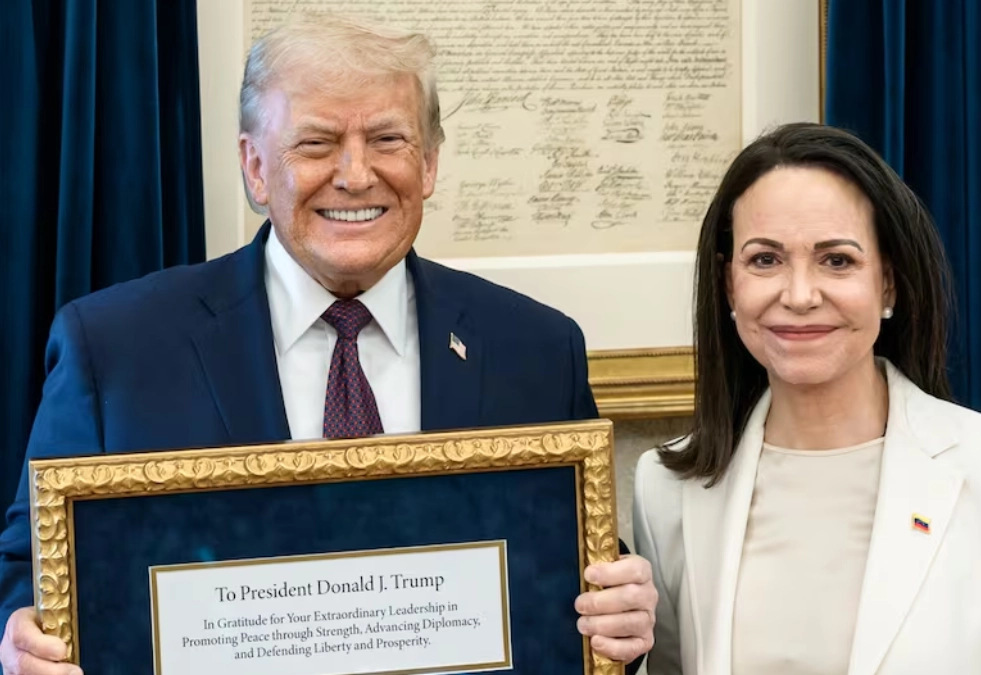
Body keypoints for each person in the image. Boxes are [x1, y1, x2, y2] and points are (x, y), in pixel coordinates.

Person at [0, 14, 655, 675]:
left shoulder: (537, 349)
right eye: (316, 143)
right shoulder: (115, 349)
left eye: (387, 139)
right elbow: (31, 570)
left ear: (428, 163)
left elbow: (575, 568)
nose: (355, 174)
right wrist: (19, 639)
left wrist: (622, 618)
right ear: (256, 168)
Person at [632, 123, 981, 675]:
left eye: (838, 261)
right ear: (729, 285)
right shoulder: (665, 487)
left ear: (889, 284)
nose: (799, 295)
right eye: (764, 260)